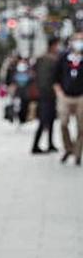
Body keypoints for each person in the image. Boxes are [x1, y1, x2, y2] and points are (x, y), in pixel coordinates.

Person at [54, 32, 83, 166]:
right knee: (63, 123)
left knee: (81, 127)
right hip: (65, 96)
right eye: (77, 40)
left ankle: (77, 154)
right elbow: (55, 78)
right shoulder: (63, 58)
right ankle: (68, 148)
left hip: (80, 97)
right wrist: (59, 93)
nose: (79, 42)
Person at [32, 38, 60, 154]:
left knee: (50, 119)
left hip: (45, 93)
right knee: (44, 119)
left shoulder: (41, 59)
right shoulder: (52, 60)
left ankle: (50, 143)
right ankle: (35, 145)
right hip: (47, 94)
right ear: (53, 46)